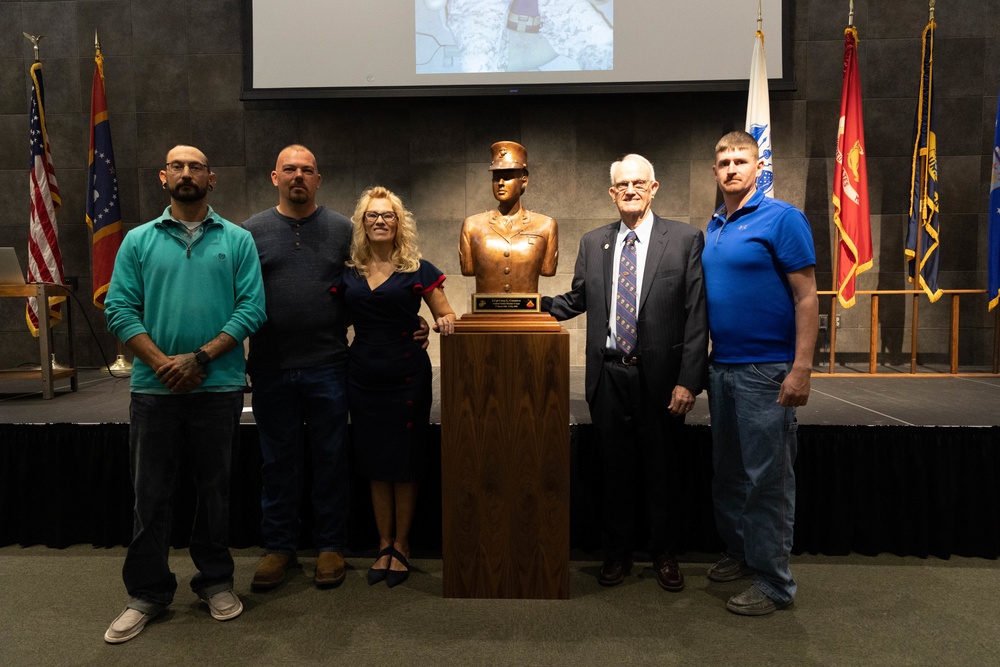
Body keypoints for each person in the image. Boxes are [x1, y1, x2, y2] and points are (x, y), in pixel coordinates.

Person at [103, 145, 266, 643]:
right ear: (163, 177)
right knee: (149, 496)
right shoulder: (136, 241)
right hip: (154, 392)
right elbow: (119, 309)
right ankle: (147, 594)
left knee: (214, 494)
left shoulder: (237, 239)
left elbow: (252, 309)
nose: (187, 173)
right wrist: (163, 364)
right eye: (178, 166)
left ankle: (215, 581)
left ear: (211, 179)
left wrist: (198, 359)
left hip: (217, 387)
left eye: (196, 166)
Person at [542, 154, 708, 591]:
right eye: (621, 185)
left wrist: (689, 380)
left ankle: (663, 553)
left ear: (654, 188)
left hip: (662, 380)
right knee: (613, 472)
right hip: (608, 376)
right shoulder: (593, 241)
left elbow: (697, 316)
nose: (630, 190)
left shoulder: (686, 239)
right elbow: (575, 300)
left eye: (639, 183)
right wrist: (523, 306)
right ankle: (615, 554)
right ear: (612, 193)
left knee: (662, 471)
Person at [702, 130, 818, 616]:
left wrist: (802, 369)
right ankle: (743, 554)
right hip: (722, 369)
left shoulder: (783, 218)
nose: (731, 168)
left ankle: (774, 583)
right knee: (729, 475)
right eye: (724, 161)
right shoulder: (714, 225)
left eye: (740, 160)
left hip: (766, 372)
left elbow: (807, 297)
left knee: (767, 480)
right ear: (715, 171)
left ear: (758, 167)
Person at [339, 186, 456, 587]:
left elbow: (445, 313)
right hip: (362, 375)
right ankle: (383, 543)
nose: (380, 221)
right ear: (362, 223)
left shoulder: (417, 268)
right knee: (373, 463)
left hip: (407, 377)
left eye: (387, 215)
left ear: (399, 222)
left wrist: (437, 324)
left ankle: (402, 546)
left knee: (404, 464)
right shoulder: (349, 271)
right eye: (372, 215)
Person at [460, 140, 558, 294]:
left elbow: (548, 269)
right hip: (485, 316)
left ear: (524, 180)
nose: (500, 183)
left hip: (528, 314)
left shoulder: (545, 226)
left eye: (507, 177)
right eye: (496, 177)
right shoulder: (472, 226)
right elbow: (467, 269)